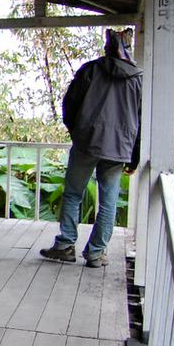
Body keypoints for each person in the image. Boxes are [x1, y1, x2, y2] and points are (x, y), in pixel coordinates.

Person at [40, 29, 142, 268]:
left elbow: (70, 104)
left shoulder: (91, 70)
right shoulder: (139, 79)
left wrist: (77, 131)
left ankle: (65, 245)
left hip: (87, 141)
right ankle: (96, 253)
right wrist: (134, 157)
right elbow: (142, 118)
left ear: (108, 47)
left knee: (73, 194)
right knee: (109, 200)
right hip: (119, 147)